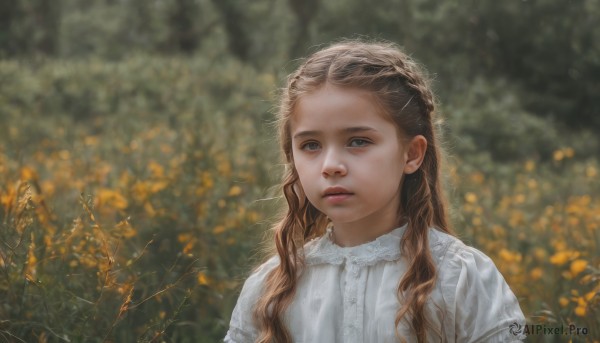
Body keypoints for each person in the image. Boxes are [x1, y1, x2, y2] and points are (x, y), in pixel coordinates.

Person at [224, 40, 526, 343]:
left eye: (358, 141)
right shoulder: (270, 288)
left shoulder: (461, 279)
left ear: (411, 154)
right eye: (311, 145)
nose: (330, 166)